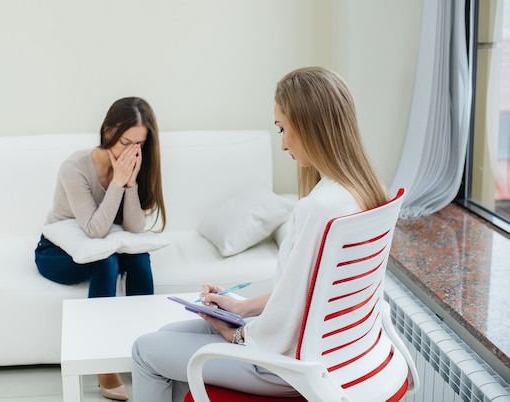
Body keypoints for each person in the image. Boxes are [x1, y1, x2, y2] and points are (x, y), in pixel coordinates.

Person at [130, 67, 388, 402]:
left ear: (311, 127)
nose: (282, 144)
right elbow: (309, 293)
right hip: (337, 353)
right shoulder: (367, 194)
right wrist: (242, 307)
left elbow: (283, 324)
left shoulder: (319, 208)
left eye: (283, 129)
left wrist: (238, 335)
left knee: (144, 350)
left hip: (286, 366)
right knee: (166, 336)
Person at [35, 96, 166, 401]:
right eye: (125, 142)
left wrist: (130, 183)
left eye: (139, 145)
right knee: (105, 262)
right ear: (108, 131)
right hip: (56, 252)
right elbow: (95, 230)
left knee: (139, 258)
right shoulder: (74, 167)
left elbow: (134, 228)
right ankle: (102, 362)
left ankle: (149, 349)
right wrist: (117, 183)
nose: (132, 151)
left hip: (101, 246)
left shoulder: (134, 165)